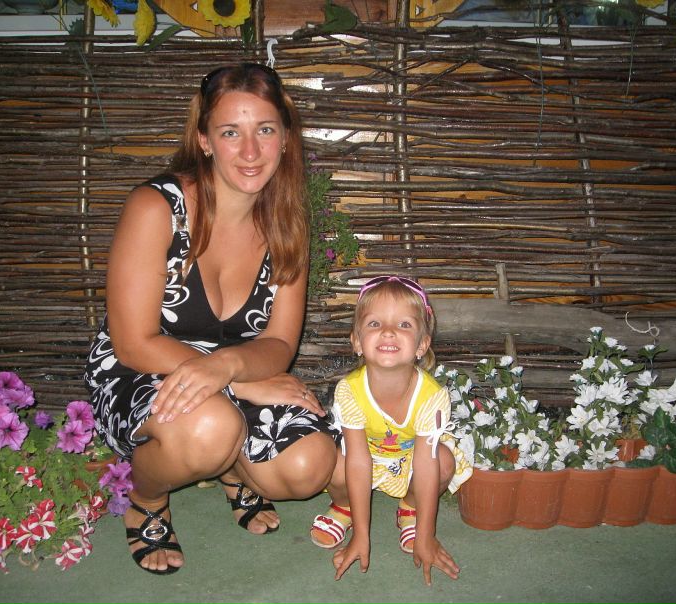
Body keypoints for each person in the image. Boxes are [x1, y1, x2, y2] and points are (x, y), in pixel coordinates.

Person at [84, 62, 340, 575]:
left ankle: (230, 466)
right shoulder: (156, 207)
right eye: (230, 132)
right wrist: (238, 383)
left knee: (308, 466)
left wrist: (228, 371)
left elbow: (280, 342)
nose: (250, 151)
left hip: (233, 370)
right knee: (209, 427)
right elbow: (133, 341)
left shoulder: (287, 221)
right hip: (140, 368)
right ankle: (147, 499)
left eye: (264, 130)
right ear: (203, 140)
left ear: (286, 138)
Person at [309, 276, 472, 586]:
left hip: (410, 461)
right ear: (356, 341)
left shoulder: (432, 396)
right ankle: (345, 505)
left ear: (422, 345)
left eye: (404, 324)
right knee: (331, 461)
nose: (388, 331)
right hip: (364, 457)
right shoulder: (349, 390)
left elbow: (426, 463)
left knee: (443, 461)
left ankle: (410, 508)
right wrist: (361, 535)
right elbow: (358, 460)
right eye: (374, 323)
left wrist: (426, 535)